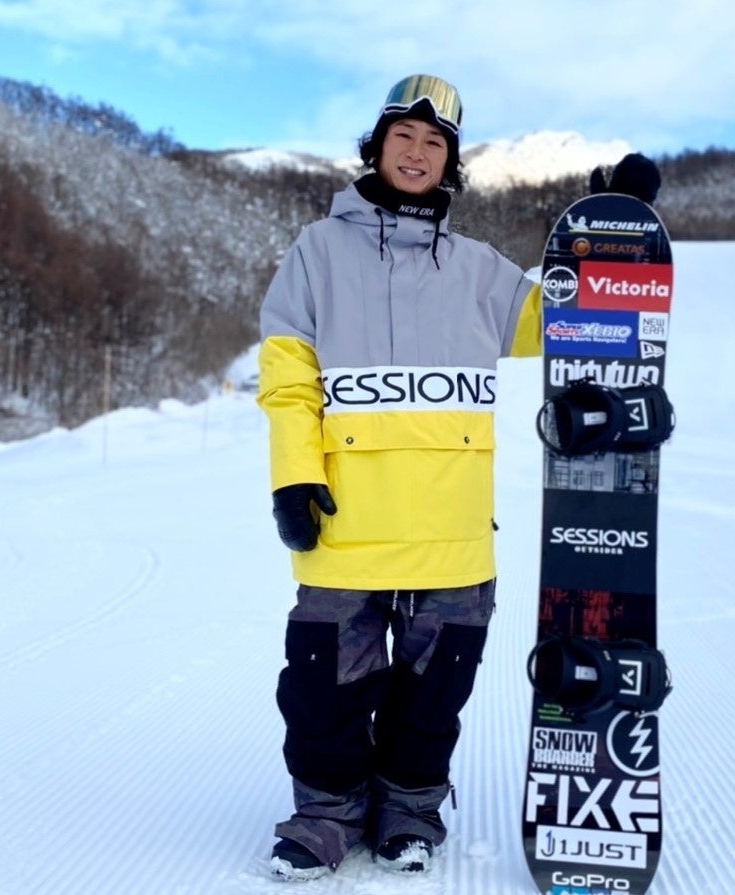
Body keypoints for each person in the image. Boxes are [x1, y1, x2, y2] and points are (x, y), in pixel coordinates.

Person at [256, 73, 660, 881]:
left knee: (435, 687)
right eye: (402, 137)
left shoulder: (479, 268)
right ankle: (326, 812)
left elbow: (568, 325)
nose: (416, 152)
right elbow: (289, 376)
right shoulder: (316, 251)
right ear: (375, 149)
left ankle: (408, 805)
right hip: (347, 515)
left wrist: (611, 238)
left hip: (452, 521)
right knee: (325, 683)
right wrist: (293, 478)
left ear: (450, 164)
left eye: (434, 142)